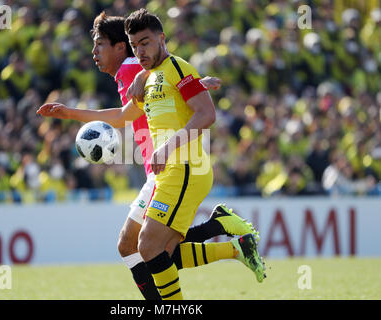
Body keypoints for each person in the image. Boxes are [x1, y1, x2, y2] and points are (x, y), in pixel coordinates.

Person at [37, 11, 262, 300]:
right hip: (163, 168)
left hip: (176, 166)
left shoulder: (136, 70)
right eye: (135, 46)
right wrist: (69, 113)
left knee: (147, 247)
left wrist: (187, 83)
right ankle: (228, 238)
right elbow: (126, 112)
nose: (93, 52)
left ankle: (218, 231)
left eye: (99, 44)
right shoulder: (144, 73)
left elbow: (175, 74)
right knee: (146, 248)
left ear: (120, 48)